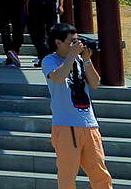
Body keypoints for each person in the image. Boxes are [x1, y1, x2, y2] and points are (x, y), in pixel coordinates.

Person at [43, 23, 113, 189]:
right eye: (71, 42)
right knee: (67, 176)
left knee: (100, 174)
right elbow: (59, 77)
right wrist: (72, 56)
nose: (76, 45)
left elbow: (95, 84)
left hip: (89, 124)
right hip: (66, 125)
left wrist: (87, 60)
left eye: (77, 41)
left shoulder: (80, 59)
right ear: (58, 42)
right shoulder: (49, 60)